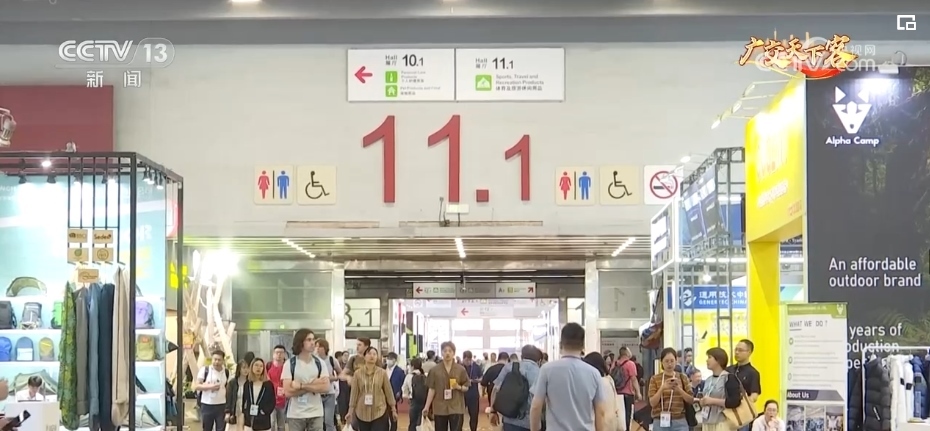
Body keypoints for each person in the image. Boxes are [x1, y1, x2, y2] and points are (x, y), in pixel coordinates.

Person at [530, 323, 607, 431]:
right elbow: (601, 412)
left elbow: (536, 406)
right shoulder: (594, 373)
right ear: (583, 346)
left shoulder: (546, 370)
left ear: (560, 344)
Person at [282, 329, 330, 431]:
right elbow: (288, 392)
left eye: (313, 339)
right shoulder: (290, 364)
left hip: (316, 413)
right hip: (296, 414)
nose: (313, 343)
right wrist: (314, 384)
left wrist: (301, 386)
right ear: (300, 342)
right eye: (309, 340)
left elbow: (326, 387)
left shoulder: (320, 363)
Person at [491, 345, 544, 431]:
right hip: (529, 422)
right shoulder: (539, 372)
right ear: (539, 360)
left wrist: (493, 411)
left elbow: (495, 389)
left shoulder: (509, 367)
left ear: (522, 356)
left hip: (509, 419)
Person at [347, 346, 398, 431]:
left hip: (379, 410)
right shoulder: (357, 374)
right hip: (362, 412)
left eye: (374, 354)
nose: (372, 356)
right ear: (364, 356)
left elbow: (389, 392)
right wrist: (350, 411)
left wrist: (393, 409)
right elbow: (354, 393)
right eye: (369, 353)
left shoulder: (382, 373)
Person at [422, 341, 470, 431]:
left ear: (454, 353)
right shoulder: (434, 370)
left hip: (456, 406)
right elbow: (432, 389)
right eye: (445, 351)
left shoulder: (461, 369)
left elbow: (466, 387)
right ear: (441, 353)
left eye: (450, 351)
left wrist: (459, 387)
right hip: (440, 407)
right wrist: (426, 407)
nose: (447, 353)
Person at [648, 348, 694, 431]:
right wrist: (662, 388)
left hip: (679, 421)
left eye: (672, 361)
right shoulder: (654, 379)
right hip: (660, 421)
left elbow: (691, 400)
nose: (669, 364)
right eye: (666, 361)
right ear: (662, 362)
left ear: (676, 361)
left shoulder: (683, 377)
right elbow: (652, 403)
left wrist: (679, 389)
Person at [698, 347, 742, 431]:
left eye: (709, 357)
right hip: (707, 421)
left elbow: (735, 401)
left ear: (718, 360)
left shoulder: (729, 378)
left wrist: (712, 401)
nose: (707, 360)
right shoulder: (708, 380)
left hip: (723, 421)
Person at [197, 349, 230, 431]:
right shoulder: (205, 370)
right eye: (215, 359)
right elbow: (196, 386)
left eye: (219, 360)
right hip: (207, 404)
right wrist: (210, 387)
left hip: (221, 405)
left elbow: (227, 387)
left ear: (223, 361)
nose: (216, 362)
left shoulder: (226, 372)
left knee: (221, 428)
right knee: (207, 428)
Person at [243, 358, 276, 431]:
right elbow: (244, 400)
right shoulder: (247, 384)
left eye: (261, 366)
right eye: (256, 365)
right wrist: (245, 412)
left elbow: (272, 401)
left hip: (263, 421)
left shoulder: (268, 384)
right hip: (249, 421)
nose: (258, 368)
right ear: (252, 367)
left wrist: (265, 411)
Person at [316, 339, 342, 431]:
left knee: (328, 420)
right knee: (318, 421)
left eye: (320, 346)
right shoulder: (314, 360)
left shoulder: (331, 360)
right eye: (316, 346)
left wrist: (334, 378)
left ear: (325, 348)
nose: (317, 348)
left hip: (330, 393)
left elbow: (340, 373)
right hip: (317, 394)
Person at [613, 347, 642, 430]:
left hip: (617, 394)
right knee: (628, 416)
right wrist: (638, 393)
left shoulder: (615, 363)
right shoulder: (630, 364)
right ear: (626, 353)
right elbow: (634, 379)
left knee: (618, 415)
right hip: (628, 394)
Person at [728, 340, 761, 405]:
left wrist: (744, 404)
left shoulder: (753, 373)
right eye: (736, 349)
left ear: (749, 352)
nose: (737, 352)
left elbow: (754, 395)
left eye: (740, 350)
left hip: (742, 407)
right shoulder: (728, 370)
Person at [267, 345, 288, 431]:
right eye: (277, 352)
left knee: (281, 424)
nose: (279, 355)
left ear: (284, 354)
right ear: (273, 354)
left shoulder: (287, 367)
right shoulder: (268, 366)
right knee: (271, 423)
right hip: (270, 399)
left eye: (281, 353)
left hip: (283, 399)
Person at [226, 359, 251, 431]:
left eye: (247, 368)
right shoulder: (232, 382)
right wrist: (228, 412)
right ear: (239, 369)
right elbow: (229, 398)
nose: (246, 370)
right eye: (244, 368)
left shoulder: (250, 383)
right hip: (235, 409)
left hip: (246, 410)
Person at [403, 358, 427, 431]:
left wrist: (408, 396)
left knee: (413, 422)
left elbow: (404, 390)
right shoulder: (425, 375)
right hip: (424, 402)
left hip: (414, 401)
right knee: (421, 422)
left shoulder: (409, 376)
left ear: (412, 366)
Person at [461, 351, 483, 431]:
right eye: (466, 360)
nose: (468, 362)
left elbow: (481, 378)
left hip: (473, 394)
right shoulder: (459, 367)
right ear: (463, 359)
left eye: (469, 360)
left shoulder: (476, 367)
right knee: (459, 415)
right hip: (461, 394)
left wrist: (476, 380)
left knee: (474, 415)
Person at [385, 352, 405, 431]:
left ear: (395, 360)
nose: (388, 360)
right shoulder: (382, 369)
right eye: (388, 358)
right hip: (382, 396)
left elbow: (402, 384)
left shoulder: (400, 371)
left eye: (391, 359)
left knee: (393, 415)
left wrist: (399, 392)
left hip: (393, 396)